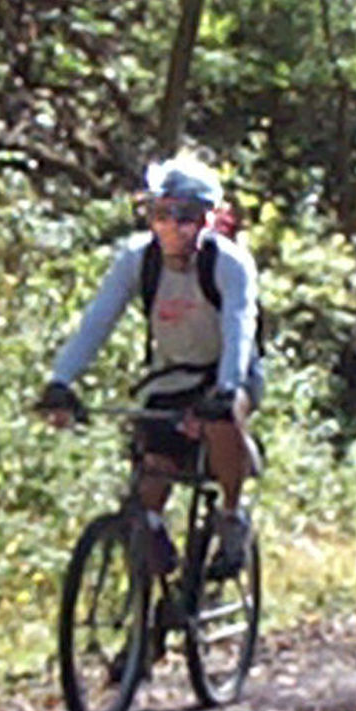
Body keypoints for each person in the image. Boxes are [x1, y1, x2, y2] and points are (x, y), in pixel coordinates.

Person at [36, 151, 259, 573]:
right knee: (152, 472)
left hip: (227, 368)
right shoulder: (138, 259)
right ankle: (148, 596)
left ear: (210, 219)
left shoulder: (229, 263)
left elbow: (239, 327)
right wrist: (61, 381)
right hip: (171, 373)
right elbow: (96, 322)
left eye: (185, 217)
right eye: (159, 215)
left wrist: (227, 389)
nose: (171, 228)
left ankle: (232, 516)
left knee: (222, 420)